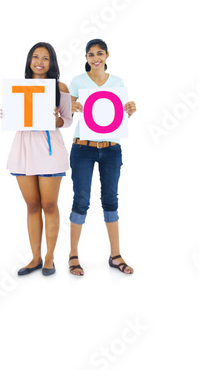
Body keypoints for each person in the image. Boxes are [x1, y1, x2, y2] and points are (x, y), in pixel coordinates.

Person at [67, 38, 137, 276]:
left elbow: (114, 120)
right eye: (90, 55)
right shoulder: (78, 82)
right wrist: (72, 105)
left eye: (99, 53)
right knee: (81, 200)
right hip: (83, 148)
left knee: (111, 199)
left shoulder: (117, 82)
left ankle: (115, 255)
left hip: (110, 148)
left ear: (107, 55)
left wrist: (129, 112)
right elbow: (64, 112)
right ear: (86, 58)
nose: (95, 58)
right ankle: (73, 255)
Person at [6, 43, 72, 276]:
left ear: (52, 63)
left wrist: (57, 120)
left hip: (48, 150)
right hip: (24, 150)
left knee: (49, 205)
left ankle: (50, 258)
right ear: (29, 60)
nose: (40, 62)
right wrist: (9, 114)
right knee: (32, 205)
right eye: (36, 56)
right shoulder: (19, 87)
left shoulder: (59, 87)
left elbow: (68, 120)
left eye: (45, 58)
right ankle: (35, 258)